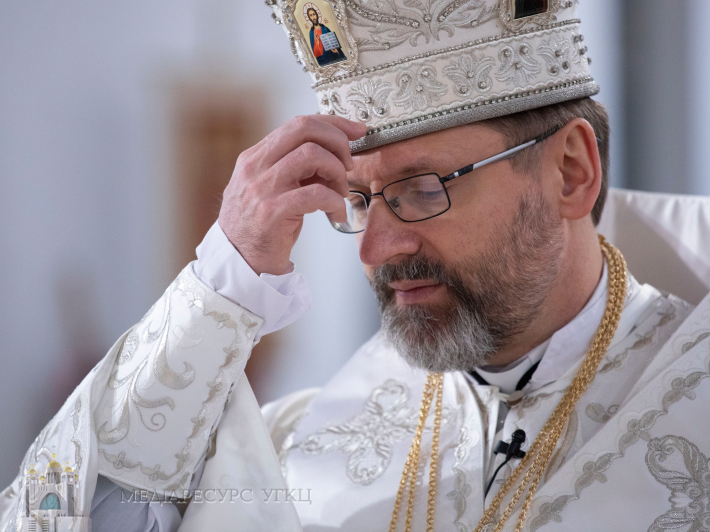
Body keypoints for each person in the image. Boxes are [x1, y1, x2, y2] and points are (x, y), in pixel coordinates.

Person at [3, 0, 710, 531]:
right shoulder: (307, 443)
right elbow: (57, 510)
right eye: (359, 200)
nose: (376, 249)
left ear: (570, 171)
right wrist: (226, 280)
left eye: (424, 189)